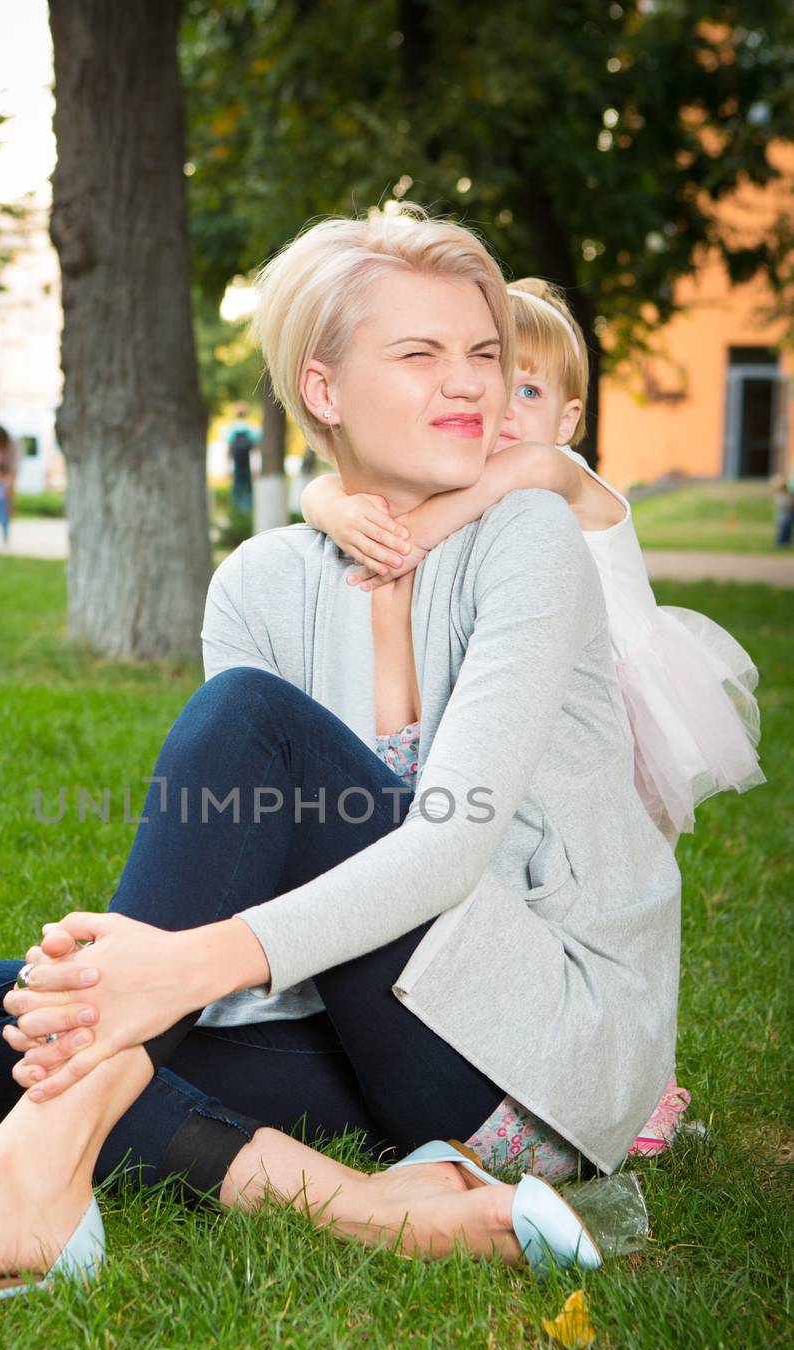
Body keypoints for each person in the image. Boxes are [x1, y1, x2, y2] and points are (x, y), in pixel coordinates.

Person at [0, 209, 682, 1318]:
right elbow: (250, 860)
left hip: (524, 1056)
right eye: (420, 353)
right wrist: (134, 989)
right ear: (324, 389)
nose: (471, 385)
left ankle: (29, 1191)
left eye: (484, 354)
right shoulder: (259, 580)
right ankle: (382, 1211)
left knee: (245, 727)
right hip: (353, 1038)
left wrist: (182, 965)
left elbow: (446, 847)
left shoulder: (525, 535)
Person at [301, 275, 767, 1173]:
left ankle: (644, 1075)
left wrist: (406, 528)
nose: (502, 409)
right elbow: (339, 486)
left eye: (528, 390)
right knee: (527, 873)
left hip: (626, 722)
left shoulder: (563, 477)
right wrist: (328, 502)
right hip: (534, 713)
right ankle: (524, 1016)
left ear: (569, 416)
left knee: (627, 891)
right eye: (495, 378)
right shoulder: (484, 488)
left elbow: (513, 480)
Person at [224, 402, 260, 512]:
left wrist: (227, 467)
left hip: (236, 465)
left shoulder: (231, 429)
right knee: (249, 490)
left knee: (236, 490)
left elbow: (228, 451)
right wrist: (256, 466)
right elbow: (255, 450)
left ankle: (237, 511)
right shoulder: (251, 428)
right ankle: (247, 511)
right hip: (248, 465)